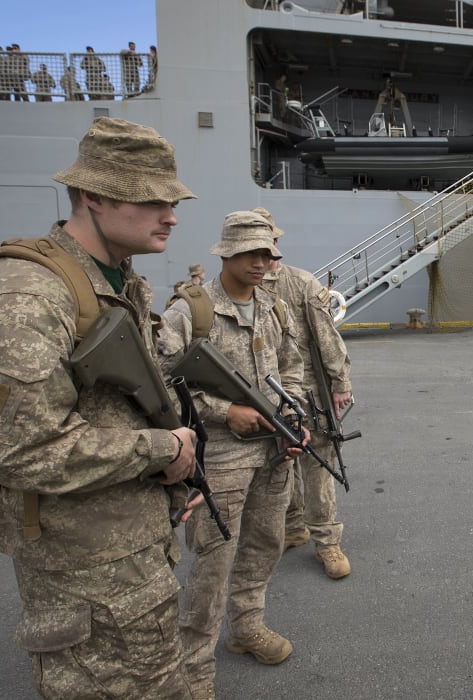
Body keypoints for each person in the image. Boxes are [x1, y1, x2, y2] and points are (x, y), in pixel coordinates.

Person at [0, 117, 200, 698]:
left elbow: (117, 406)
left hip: (132, 553)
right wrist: (165, 449)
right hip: (85, 576)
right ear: (92, 195)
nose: (171, 215)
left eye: (172, 199)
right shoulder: (21, 297)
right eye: (151, 200)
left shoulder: (116, 277)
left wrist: (166, 487)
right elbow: (20, 451)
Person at [159, 210, 306, 700]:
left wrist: (296, 419)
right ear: (228, 252)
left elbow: (293, 369)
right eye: (252, 253)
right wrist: (225, 411)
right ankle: (195, 664)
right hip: (221, 456)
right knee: (213, 560)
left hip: (272, 453)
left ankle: (246, 627)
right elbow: (163, 385)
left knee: (265, 543)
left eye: (268, 253)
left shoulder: (274, 308)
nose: (263, 262)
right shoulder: (190, 312)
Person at [257, 207, 355, 579]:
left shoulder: (301, 283)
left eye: (269, 244)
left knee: (317, 467)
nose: (264, 254)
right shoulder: (240, 288)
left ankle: (327, 542)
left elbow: (328, 337)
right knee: (279, 463)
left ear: (277, 243)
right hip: (264, 396)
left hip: (311, 394)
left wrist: (340, 384)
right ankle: (294, 527)